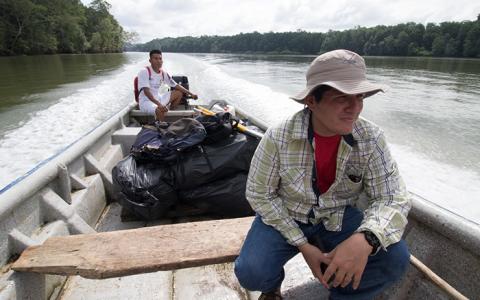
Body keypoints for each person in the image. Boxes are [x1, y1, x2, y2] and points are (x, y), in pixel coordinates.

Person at [234, 49, 411, 300]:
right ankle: (272, 287)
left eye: (359, 96)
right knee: (251, 272)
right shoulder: (278, 138)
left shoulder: (371, 139)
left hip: (338, 215)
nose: (355, 108)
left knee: (395, 258)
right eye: (342, 98)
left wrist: (366, 238)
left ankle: (342, 293)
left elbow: (393, 198)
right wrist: (303, 245)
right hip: (289, 214)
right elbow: (259, 194)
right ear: (311, 101)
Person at [137, 49, 198, 121]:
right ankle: (161, 127)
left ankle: (171, 113)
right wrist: (159, 105)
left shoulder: (163, 73)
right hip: (146, 102)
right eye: (155, 59)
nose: (158, 61)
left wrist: (192, 94)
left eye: (160, 58)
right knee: (160, 109)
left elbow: (176, 85)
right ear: (150, 60)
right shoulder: (144, 71)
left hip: (158, 99)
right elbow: (146, 92)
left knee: (178, 93)